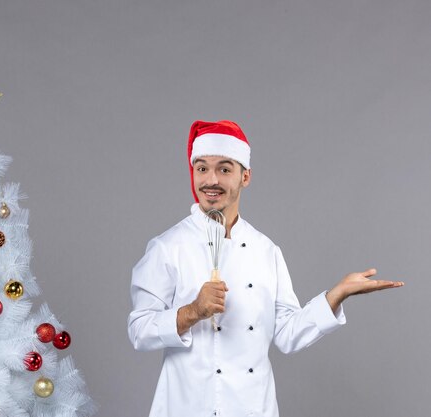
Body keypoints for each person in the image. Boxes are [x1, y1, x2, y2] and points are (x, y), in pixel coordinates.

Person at [127, 120, 404, 417]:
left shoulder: (266, 250)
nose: (211, 180)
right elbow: (139, 330)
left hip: (253, 408)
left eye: (224, 169)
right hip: (187, 407)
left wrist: (337, 294)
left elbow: (287, 334)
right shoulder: (168, 246)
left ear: (245, 176)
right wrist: (192, 311)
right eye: (202, 168)